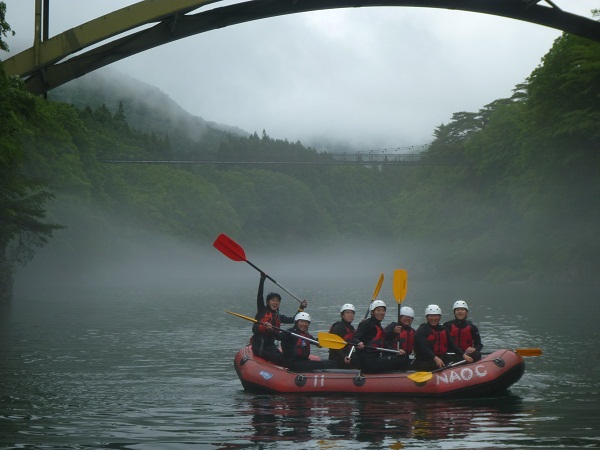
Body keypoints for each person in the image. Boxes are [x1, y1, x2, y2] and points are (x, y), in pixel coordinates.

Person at [251, 272, 307, 366]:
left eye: (277, 301)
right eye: (273, 300)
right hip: (260, 347)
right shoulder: (262, 310)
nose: (275, 303)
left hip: (271, 346)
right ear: (268, 302)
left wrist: (301, 308)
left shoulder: (278, 316)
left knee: (286, 358)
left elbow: (293, 320)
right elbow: (259, 295)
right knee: (283, 361)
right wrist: (262, 280)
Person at [352, 300, 409, 373]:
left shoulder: (378, 326)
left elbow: (384, 344)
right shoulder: (366, 323)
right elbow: (354, 338)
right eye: (378, 310)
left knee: (402, 356)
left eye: (383, 311)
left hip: (376, 358)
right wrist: (359, 342)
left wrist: (397, 352)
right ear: (372, 312)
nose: (381, 313)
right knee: (402, 359)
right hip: (369, 362)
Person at [414, 304, 473, 371]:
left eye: (436, 316)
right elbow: (424, 347)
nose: (434, 318)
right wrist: (435, 358)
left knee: (458, 360)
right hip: (425, 361)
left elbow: (452, 345)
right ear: (427, 317)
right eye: (431, 316)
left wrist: (463, 355)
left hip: (441, 357)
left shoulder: (443, 329)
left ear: (439, 317)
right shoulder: (422, 330)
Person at [328, 303, 360, 369]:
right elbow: (334, 346)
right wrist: (343, 357)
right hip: (337, 357)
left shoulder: (351, 328)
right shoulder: (338, 327)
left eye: (352, 313)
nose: (350, 315)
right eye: (347, 313)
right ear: (342, 315)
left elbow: (354, 337)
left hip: (347, 355)